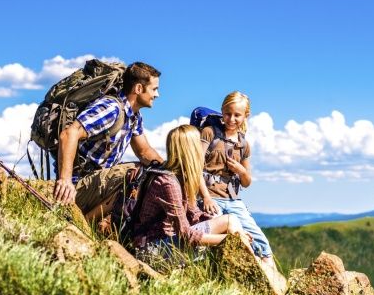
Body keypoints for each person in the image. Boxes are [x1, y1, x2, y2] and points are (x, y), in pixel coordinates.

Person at [52, 62, 164, 219]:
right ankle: (83, 222)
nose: (157, 95)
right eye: (154, 89)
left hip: (97, 183)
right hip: (79, 184)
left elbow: (144, 151)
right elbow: (69, 134)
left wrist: (169, 171)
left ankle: (89, 223)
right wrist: (65, 181)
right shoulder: (111, 108)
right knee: (133, 173)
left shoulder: (134, 117)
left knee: (149, 172)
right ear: (138, 89)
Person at [132, 124, 253, 260]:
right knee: (230, 225)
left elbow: (194, 215)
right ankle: (254, 273)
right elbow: (186, 235)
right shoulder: (168, 182)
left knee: (229, 220)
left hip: (167, 241)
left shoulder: (181, 177)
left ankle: (252, 271)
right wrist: (231, 239)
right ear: (191, 150)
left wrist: (231, 231)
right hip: (152, 250)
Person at [198, 91, 279, 271]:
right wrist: (205, 197)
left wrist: (241, 171)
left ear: (245, 116)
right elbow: (195, 167)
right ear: (222, 111)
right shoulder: (209, 133)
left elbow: (246, 182)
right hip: (210, 196)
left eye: (237, 115)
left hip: (232, 200)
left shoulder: (243, 144)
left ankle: (269, 272)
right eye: (228, 113)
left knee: (259, 240)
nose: (231, 119)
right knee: (221, 239)